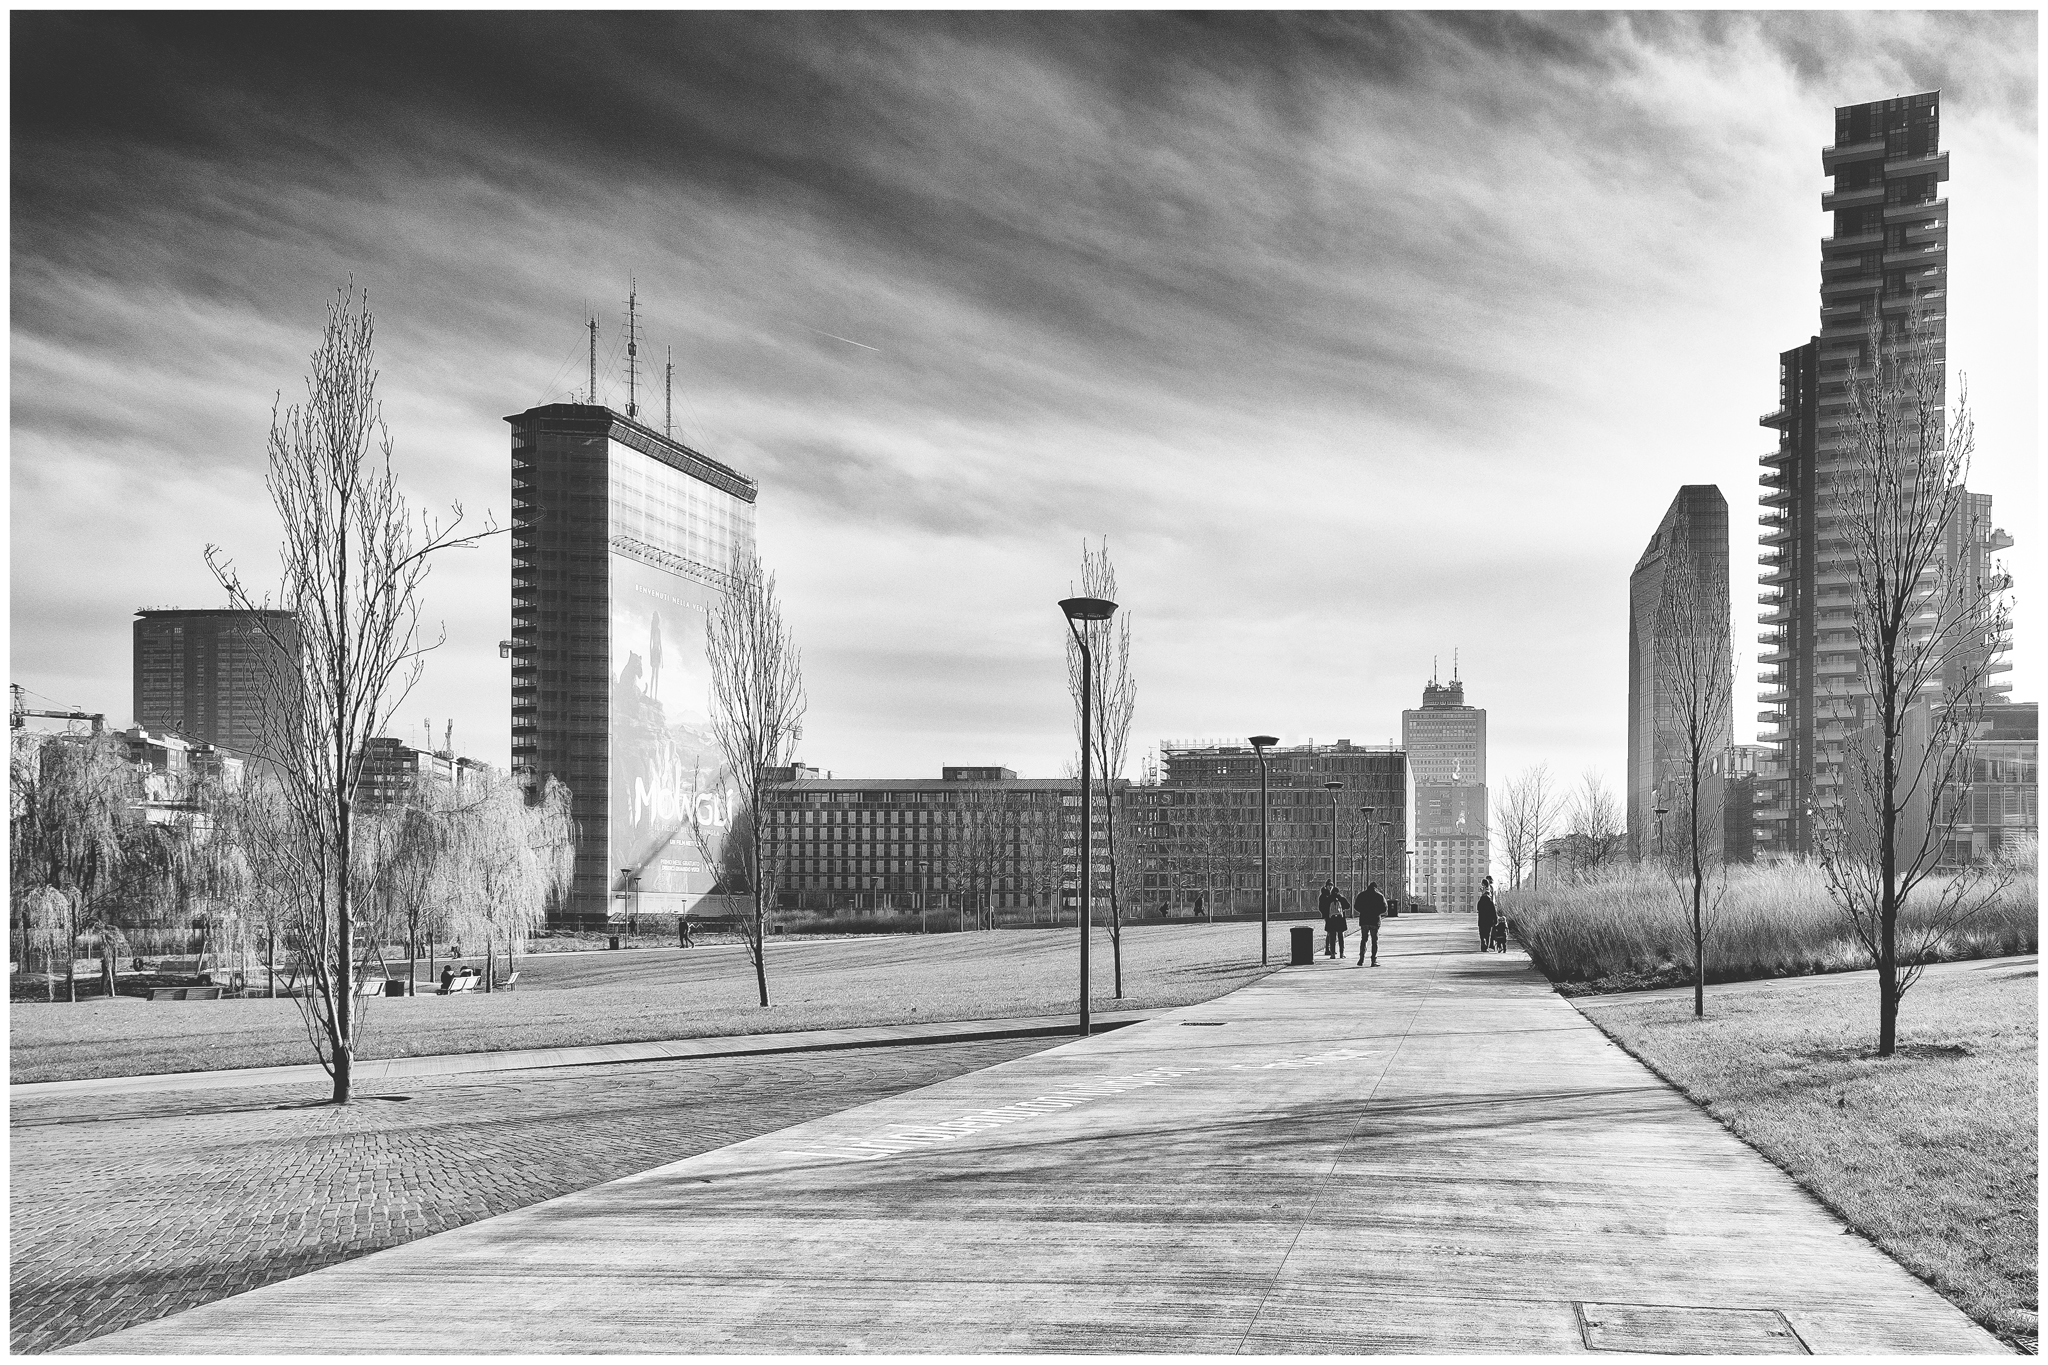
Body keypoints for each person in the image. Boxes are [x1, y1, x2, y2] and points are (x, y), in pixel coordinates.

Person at [1355, 881, 1387, 967]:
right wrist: (1377, 913)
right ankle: (1373, 960)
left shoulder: (1362, 895)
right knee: (1374, 941)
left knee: (1364, 939)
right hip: (1374, 920)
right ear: (1375, 887)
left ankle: (1361, 958)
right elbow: (1384, 908)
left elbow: (1356, 906)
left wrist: (1363, 911)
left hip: (1364, 920)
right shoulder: (1379, 896)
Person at [1477, 879, 1498, 951]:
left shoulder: (1480, 902)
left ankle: (1483, 943)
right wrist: (1495, 920)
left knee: (1482, 933)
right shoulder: (1490, 902)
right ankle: (1486, 947)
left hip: (1482, 920)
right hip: (1489, 921)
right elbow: (1493, 911)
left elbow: (1478, 909)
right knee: (1488, 934)